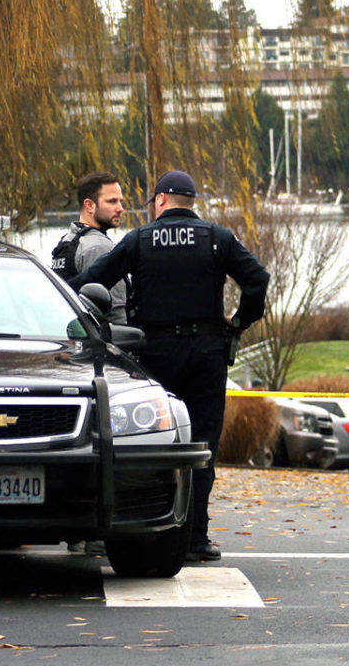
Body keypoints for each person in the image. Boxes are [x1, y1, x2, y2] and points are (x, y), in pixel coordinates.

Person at [70, 170, 269, 562]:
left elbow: (89, 284)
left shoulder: (140, 241)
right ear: (190, 202)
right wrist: (240, 321)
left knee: (155, 441)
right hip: (207, 353)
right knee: (203, 444)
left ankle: (153, 529)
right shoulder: (217, 238)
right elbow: (257, 280)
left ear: (160, 201)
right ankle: (196, 538)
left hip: (156, 352)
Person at [52, 173, 128, 324]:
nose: (120, 208)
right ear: (89, 205)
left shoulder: (67, 241)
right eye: (112, 201)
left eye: (121, 201)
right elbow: (116, 313)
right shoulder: (99, 247)